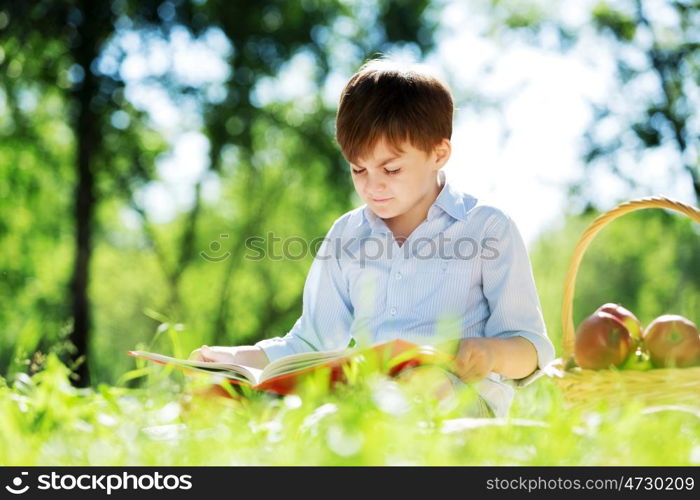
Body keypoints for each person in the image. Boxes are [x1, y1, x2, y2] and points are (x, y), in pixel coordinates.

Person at [189, 58, 555, 418]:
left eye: (391, 168)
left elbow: (530, 346)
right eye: (358, 168)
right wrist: (234, 359)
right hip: (371, 397)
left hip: (461, 403)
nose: (372, 185)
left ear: (439, 153)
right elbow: (309, 342)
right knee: (227, 398)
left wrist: (491, 353)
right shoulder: (347, 235)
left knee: (419, 384)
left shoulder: (488, 228)